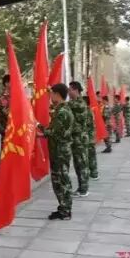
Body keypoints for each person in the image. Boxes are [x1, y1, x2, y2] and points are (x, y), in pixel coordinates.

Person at [38, 83, 74, 220]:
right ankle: (63, 207)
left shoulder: (62, 112)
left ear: (57, 95)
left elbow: (53, 132)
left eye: (52, 94)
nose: (50, 96)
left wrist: (38, 128)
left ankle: (66, 210)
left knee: (62, 180)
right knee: (58, 180)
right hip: (59, 150)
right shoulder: (62, 109)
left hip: (60, 151)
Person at [67, 82, 89, 198]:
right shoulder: (74, 102)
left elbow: (65, 106)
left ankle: (84, 189)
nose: (68, 92)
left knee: (82, 164)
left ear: (76, 90)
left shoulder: (79, 103)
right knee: (78, 164)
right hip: (76, 139)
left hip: (80, 139)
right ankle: (81, 188)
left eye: (70, 89)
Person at [83, 96, 99, 180]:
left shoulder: (86, 111)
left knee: (89, 156)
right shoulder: (89, 110)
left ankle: (93, 173)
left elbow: (85, 124)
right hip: (91, 136)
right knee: (91, 156)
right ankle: (94, 173)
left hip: (88, 137)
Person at [0, 74, 11, 150]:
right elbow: (6, 112)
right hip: (6, 127)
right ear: (6, 83)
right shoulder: (3, 97)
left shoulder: (14, 95)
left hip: (13, 128)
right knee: (5, 149)